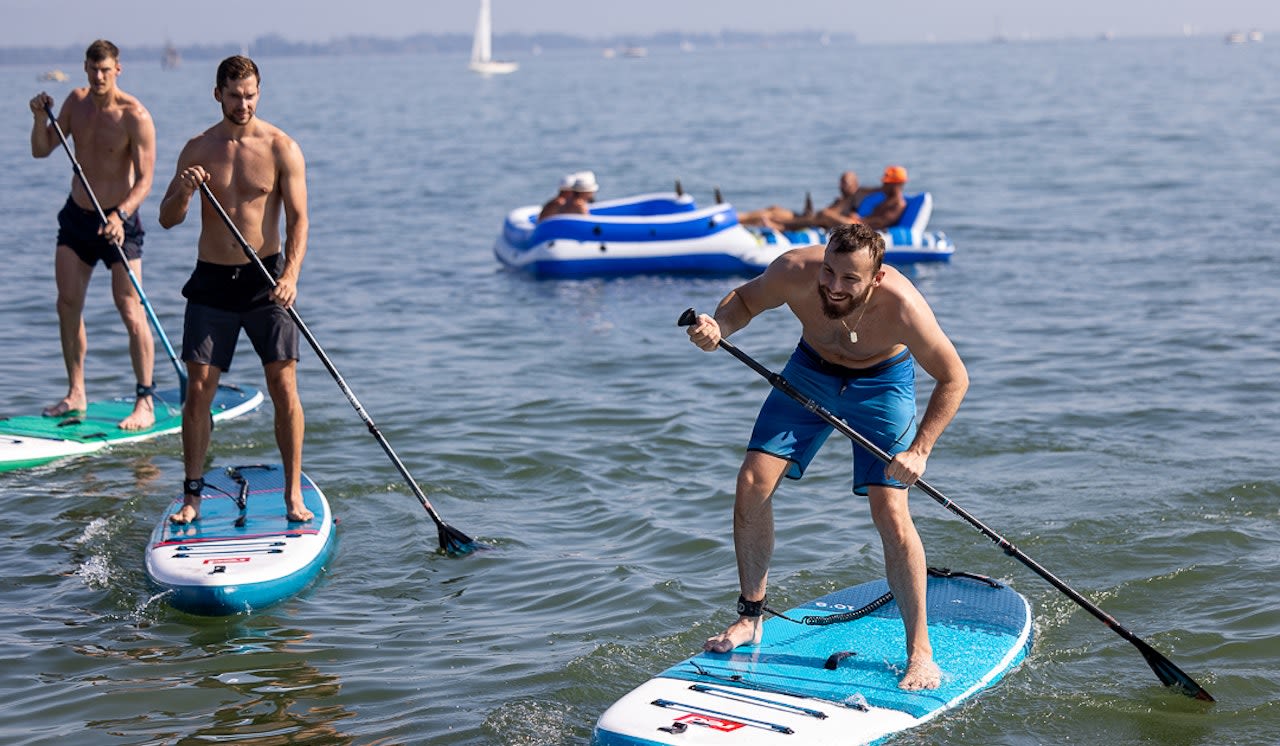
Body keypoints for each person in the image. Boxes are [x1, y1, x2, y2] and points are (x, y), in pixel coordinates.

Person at [684, 222, 969, 691]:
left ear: (875, 278)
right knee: (752, 483)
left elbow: (954, 378)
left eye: (850, 280)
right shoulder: (796, 269)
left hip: (883, 384)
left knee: (890, 508)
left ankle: (920, 651)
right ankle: (751, 616)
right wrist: (720, 326)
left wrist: (920, 450)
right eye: (830, 273)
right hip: (810, 372)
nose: (834, 287)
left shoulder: (903, 307)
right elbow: (746, 300)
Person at [157, 55, 312, 525]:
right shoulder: (198, 148)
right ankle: (192, 496)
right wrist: (184, 190)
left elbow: (299, 219)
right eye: (233, 95)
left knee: (283, 386)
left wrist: (291, 275)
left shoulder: (282, 146)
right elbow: (167, 218)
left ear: (258, 92)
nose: (242, 103)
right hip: (211, 281)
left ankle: (291, 494)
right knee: (199, 390)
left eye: (250, 95)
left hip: (267, 280)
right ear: (217, 94)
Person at [29, 39, 157, 430]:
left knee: (129, 308)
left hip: (120, 222)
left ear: (118, 69)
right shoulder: (75, 103)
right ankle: (76, 392)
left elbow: (147, 180)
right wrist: (39, 118)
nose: (99, 76)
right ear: (85, 68)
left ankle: (145, 401)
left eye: (106, 70)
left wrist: (120, 215)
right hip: (78, 219)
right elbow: (41, 149)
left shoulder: (135, 115)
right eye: (92, 69)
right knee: (67, 303)